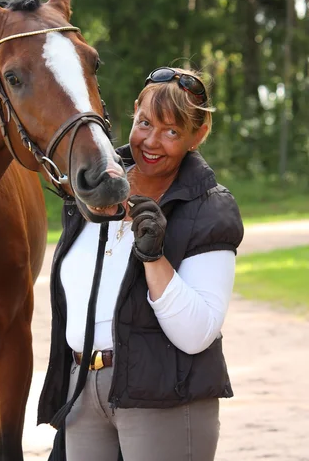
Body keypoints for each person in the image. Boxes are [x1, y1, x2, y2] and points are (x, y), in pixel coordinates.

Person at [37, 66, 244, 461]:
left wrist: (153, 256)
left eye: (172, 132)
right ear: (134, 111)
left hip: (163, 393)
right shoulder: (96, 186)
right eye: (146, 122)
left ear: (198, 136)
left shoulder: (209, 208)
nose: (151, 141)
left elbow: (197, 332)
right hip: (83, 389)